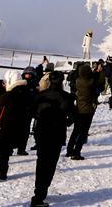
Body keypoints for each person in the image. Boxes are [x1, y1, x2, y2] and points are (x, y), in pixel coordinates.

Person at [30, 71, 74, 207]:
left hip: (42, 132)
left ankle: (39, 191)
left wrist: (41, 118)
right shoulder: (66, 97)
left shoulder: (40, 95)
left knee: (42, 162)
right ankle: (41, 193)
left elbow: (33, 112)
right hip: (56, 133)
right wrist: (64, 122)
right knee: (50, 164)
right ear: (61, 81)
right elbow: (72, 116)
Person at [0, 70, 33, 183]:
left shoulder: (12, 94)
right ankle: (3, 172)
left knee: (0, 149)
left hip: (8, 125)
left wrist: (3, 89)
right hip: (20, 125)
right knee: (5, 150)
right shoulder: (26, 92)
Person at [66, 63, 97, 159]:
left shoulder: (78, 81)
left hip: (78, 108)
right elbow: (96, 83)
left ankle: (69, 150)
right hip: (87, 110)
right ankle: (76, 152)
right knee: (83, 133)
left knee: (76, 130)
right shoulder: (89, 82)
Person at [16, 66, 38, 155]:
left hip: (28, 111)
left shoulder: (34, 84)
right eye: (26, 74)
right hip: (18, 110)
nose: (27, 75)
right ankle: (10, 148)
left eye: (29, 74)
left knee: (25, 131)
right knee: (15, 129)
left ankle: (21, 149)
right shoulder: (20, 83)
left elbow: (36, 97)